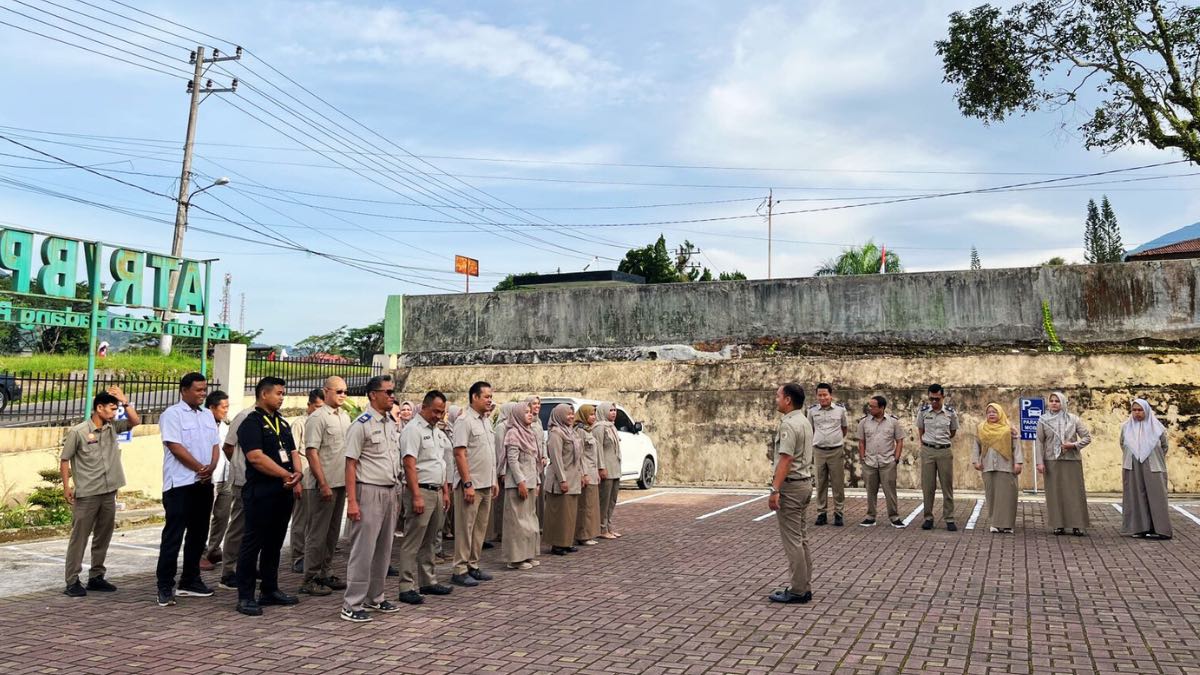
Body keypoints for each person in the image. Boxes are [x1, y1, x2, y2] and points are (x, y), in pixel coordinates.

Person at [60, 386, 140, 597]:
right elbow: (65, 459)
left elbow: (135, 421)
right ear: (99, 408)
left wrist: (125, 401)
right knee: (80, 538)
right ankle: (72, 581)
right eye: (111, 409)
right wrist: (67, 487)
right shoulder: (78, 432)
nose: (114, 413)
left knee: (103, 536)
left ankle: (96, 576)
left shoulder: (112, 427)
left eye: (116, 409)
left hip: (108, 491)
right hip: (87, 493)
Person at [235, 376, 302, 617]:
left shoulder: (282, 423)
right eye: (278, 393)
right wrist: (286, 474)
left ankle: (269, 589)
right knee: (253, 543)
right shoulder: (251, 422)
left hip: (282, 491)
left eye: (283, 394)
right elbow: (255, 457)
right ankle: (245, 595)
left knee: (274, 542)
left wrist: (297, 473)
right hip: (261, 491)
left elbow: (293, 451)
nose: (282, 397)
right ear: (264, 394)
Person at [341, 375, 403, 622]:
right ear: (372, 395)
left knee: (384, 548)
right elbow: (350, 464)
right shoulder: (361, 424)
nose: (392, 396)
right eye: (387, 392)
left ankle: (375, 596)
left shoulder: (390, 422)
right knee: (363, 550)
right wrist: (352, 501)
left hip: (390, 490)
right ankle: (352, 603)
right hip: (368, 490)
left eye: (392, 392)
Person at [156, 372, 219, 607]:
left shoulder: (207, 415)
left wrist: (211, 467)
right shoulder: (172, 415)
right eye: (198, 390)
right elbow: (174, 446)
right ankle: (165, 585)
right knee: (174, 535)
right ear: (184, 390)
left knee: (199, 533)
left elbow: (215, 444)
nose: (203, 394)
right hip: (180, 484)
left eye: (204, 390)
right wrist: (199, 467)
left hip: (203, 483)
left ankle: (190, 579)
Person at [396, 390, 453, 604]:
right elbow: (409, 464)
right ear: (424, 407)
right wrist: (416, 495)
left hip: (436, 491)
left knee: (431, 539)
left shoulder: (436, 432)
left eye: (442, 412)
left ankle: (428, 581)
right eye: (435, 411)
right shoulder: (413, 430)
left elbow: (441, 463)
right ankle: (406, 586)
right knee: (413, 540)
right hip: (420, 490)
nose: (438, 415)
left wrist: (445, 492)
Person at [298, 377, 351, 597]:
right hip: (323, 484)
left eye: (345, 392)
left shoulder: (345, 417)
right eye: (338, 391)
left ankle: (325, 572)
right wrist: (322, 483)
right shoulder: (317, 418)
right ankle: (309, 577)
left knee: (331, 534)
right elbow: (311, 452)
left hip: (340, 483)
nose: (342, 395)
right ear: (326, 391)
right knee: (317, 534)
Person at [768, 383, 815, 604]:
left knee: (793, 540)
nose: (776, 399)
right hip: (804, 483)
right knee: (801, 538)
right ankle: (803, 585)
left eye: (778, 396)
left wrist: (774, 489)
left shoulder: (789, 424)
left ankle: (798, 590)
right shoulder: (804, 420)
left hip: (792, 487)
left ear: (787, 400)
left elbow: (786, 458)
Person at [450, 381, 497, 587]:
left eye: (490, 396)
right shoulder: (464, 421)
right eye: (486, 396)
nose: (489, 400)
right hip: (471, 484)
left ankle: (473, 565)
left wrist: (493, 479)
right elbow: (459, 453)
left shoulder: (486, 421)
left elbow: (490, 454)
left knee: (480, 528)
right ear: (474, 397)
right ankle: (459, 569)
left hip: (486, 482)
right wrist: (467, 483)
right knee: (465, 528)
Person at [1035, 392, 1092, 536]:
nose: (1054, 403)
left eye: (1057, 401)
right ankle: (1058, 524)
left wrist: (1073, 445)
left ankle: (1077, 525)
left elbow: (1087, 437)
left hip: (1071, 460)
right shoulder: (1043, 420)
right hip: (1051, 460)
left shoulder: (1073, 419)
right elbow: (1039, 442)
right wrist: (1039, 463)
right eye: (1051, 401)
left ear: (1063, 403)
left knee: (1074, 493)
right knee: (1055, 493)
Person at [1120, 399, 1172, 540]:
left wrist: (1151, 456)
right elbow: (1122, 444)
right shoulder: (1126, 427)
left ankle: (1161, 530)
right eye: (1134, 410)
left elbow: (1164, 446)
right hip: (1132, 466)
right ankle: (1140, 528)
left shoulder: (1158, 428)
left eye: (1140, 410)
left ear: (1146, 410)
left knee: (1157, 497)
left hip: (1153, 465)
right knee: (1136, 496)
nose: (1137, 413)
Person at [217, 405, 254, 590]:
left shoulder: (273, 417)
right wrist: (239, 465)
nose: (280, 398)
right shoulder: (244, 416)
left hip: (260, 481)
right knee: (238, 526)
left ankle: (246, 566)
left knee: (253, 527)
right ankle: (228, 571)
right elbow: (228, 446)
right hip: (243, 480)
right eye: (277, 393)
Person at [971, 403, 1022, 533]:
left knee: (1007, 496)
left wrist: (1018, 462)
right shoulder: (981, 428)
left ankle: (1007, 524)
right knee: (991, 495)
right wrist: (976, 461)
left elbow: (1016, 446)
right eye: (989, 412)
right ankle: (994, 523)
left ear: (1000, 413)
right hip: (988, 466)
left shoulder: (1009, 428)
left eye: (994, 412)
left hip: (1006, 465)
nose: (992, 414)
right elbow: (976, 445)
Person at [503, 402, 542, 569]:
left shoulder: (530, 433)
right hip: (518, 484)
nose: (530, 414)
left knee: (530, 520)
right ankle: (515, 559)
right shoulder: (513, 433)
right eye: (525, 412)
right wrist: (521, 482)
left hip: (531, 481)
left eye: (530, 412)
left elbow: (533, 461)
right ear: (518, 415)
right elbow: (512, 460)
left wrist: (537, 481)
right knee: (517, 522)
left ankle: (527, 555)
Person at [857, 395, 905, 528]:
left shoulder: (893, 422)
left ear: (882, 408)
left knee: (890, 491)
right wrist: (863, 458)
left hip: (887, 462)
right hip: (870, 462)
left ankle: (894, 517)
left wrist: (896, 458)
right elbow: (861, 442)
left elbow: (899, 440)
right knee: (870, 491)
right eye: (869, 406)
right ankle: (870, 516)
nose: (870, 408)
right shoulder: (864, 422)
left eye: (873, 406)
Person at [288, 388, 322, 574]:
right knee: (301, 519)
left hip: (317, 478)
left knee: (315, 520)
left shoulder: (322, 422)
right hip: (303, 477)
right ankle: (298, 556)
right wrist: (297, 480)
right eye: (316, 406)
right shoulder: (300, 424)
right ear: (309, 405)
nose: (319, 410)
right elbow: (293, 453)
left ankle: (311, 555)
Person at [917, 384, 959, 532]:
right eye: (931, 398)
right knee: (928, 487)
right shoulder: (923, 412)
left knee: (946, 486)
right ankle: (928, 518)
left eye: (937, 399)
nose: (934, 401)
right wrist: (925, 445)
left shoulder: (950, 413)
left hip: (944, 451)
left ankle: (949, 518)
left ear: (942, 397)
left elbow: (952, 431)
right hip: (928, 450)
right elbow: (921, 430)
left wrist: (942, 442)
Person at [807, 383, 848, 527]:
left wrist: (834, 439)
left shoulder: (840, 410)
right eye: (820, 395)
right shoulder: (811, 411)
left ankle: (838, 513)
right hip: (819, 450)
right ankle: (821, 513)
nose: (822, 397)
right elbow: (810, 428)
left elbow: (844, 428)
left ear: (831, 395)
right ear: (816, 396)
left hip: (835, 451)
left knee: (837, 484)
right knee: (820, 483)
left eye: (825, 395)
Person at [544, 404, 582, 556]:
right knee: (558, 513)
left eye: (572, 414)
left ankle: (566, 541)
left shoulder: (571, 432)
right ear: (559, 415)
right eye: (568, 414)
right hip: (561, 478)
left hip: (573, 477)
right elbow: (556, 458)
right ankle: (557, 544)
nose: (571, 417)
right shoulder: (556, 433)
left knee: (569, 513)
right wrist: (562, 480)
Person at [201, 391, 231, 572]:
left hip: (225, 475)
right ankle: (200, 552)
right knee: (203, 517)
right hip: (208, 477)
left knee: (222, 517)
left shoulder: (226, 425)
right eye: (223, 407)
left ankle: (213, 550)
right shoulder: (202, 425)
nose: (226, 411)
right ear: (212, 407)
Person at [488, 402, 517, 547]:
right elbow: (501, 451)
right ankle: (500, 531)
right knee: (501, 502)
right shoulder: (501, 428)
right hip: (503, 471)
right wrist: (503, 471)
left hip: (511, 470)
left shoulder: (512, 426)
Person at [574, 404, 601, 547]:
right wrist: (583, 474)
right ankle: (582, 534)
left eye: (594, 414)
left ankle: (588, 533)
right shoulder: (580, 432)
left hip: (592, 471)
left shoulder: (588, 431)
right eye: (590, 414)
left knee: (591, 505)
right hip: (586, 473)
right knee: (585, 505)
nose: (593, 417)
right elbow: (581, 456)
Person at [594, 402, 622, 539]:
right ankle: (601, 528)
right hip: (606, 468)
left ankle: (609, 526)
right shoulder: (599, 428)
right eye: (610, 410)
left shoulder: (611, 427)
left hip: (615, 468)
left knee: (612, 500)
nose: (613, 412)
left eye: (614, 410)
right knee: (604, 500)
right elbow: (598, 448)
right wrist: (601, 467)